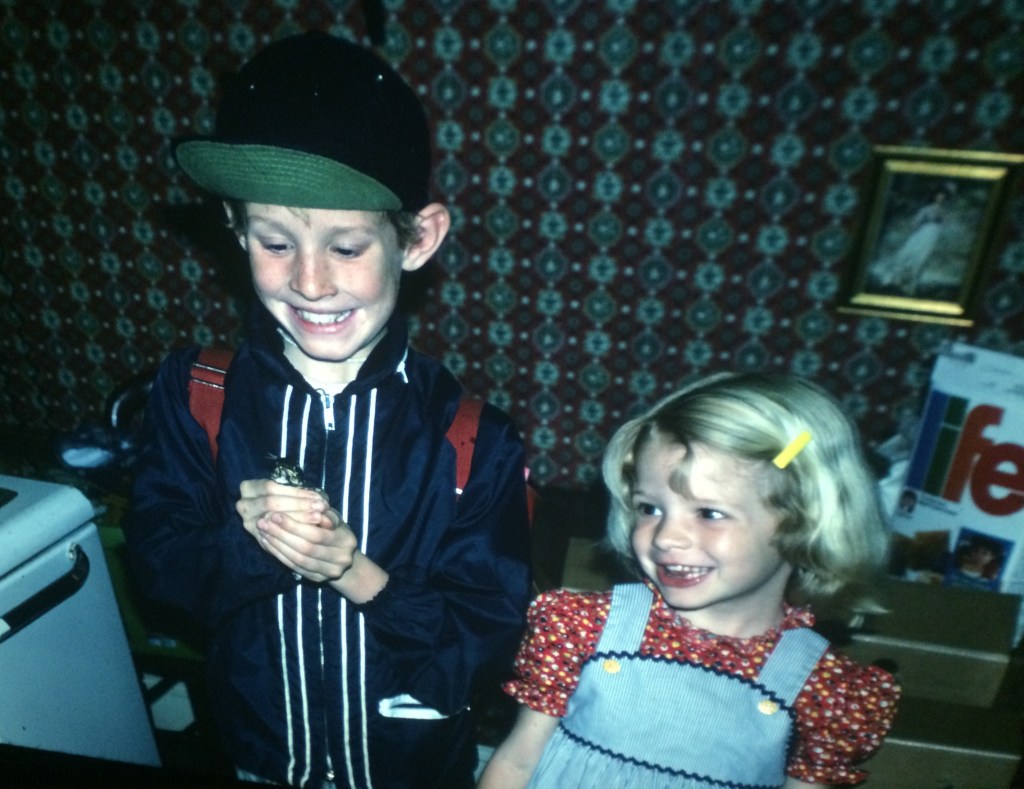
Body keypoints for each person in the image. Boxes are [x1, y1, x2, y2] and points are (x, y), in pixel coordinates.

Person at [125, 32, 532, 788]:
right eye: (275, 242)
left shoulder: (475, 439)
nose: (310, 283)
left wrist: (353, 570)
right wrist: (250, 545)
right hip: (260, 762)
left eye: (346, 248)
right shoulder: (196, 393)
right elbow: (159, 577)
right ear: (237, 227)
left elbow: (483, 647)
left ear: (417, 240)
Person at [479, 373, 900, 788]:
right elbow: (518, 762)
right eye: (649, 508)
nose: (666, 537)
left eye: (709, 513)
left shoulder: (825, 689)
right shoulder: (582, 629)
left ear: (805, 522)